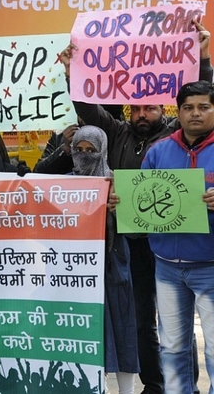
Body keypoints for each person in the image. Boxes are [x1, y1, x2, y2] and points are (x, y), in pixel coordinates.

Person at [61, 21, 212, 393]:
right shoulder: (117, 131)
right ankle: (155, 384)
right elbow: (87, 107)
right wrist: (72, 72)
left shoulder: (175, 135)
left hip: (180, 242)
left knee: (188, 325)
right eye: (136, 108)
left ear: (164, 109)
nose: (142, 113)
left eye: (149, 107)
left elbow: (202, 97)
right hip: (133, 241)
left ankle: (186, 385)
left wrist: (203, 57)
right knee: (144, 318)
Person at [122, 80, 214, 393]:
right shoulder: (160, 151)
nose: (195, 114)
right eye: (188, 107)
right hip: (166, 268)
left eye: (204, 107)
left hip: (211, 268)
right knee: (173, 348)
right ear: (179, 111)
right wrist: (118, 202)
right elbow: (141, 202)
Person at [71, 125, 139, 394]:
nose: (85, 155)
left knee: (121, 330)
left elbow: (138, 228)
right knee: (86, 336)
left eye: (92, 150)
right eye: (79, 150)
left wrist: (117, 210)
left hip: (114, 269)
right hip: (76, 275)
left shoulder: (117, 183)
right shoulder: (61, 184)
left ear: (103, 151)